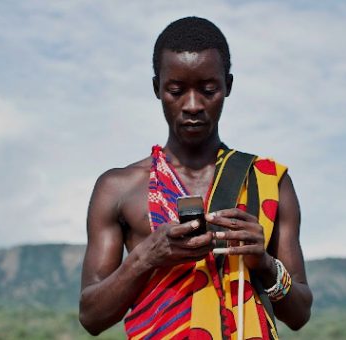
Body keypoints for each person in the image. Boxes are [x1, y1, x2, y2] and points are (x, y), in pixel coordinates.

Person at [79, 17, 312, 339]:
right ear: (157, 88)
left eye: (208, 90)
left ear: (228, 86)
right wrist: (147, 256)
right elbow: (91, 317)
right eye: (176, 90)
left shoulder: (267, 181)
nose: (192, 105)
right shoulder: (118, 187)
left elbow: (299, 314)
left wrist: (263, 262)